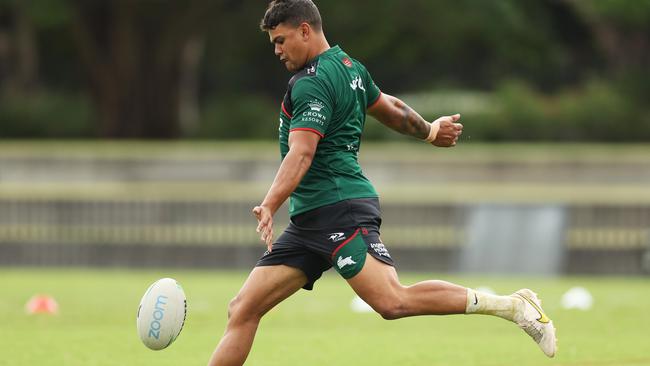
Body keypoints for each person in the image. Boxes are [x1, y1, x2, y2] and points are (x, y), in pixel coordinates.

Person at [208, 1, 556, 365]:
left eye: (281, 40)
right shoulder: (350, 68)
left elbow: (301, 154)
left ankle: (513, 305)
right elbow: (389, 107)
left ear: (305, 30)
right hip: (309, 220)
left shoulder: (310, 83)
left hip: (339, 210)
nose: (277, 51)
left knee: (392, 301)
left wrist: (269, 204)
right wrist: (430, 131)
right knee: (243, 309)